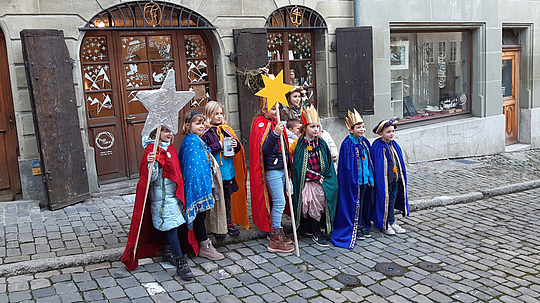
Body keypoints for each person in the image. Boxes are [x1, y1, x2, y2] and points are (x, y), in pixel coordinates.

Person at [121, 126, 196, 281]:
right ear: (156, 133)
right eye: (165, 131)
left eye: (171, 131)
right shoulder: (151, 150)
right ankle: (182, 262)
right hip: (161, 198)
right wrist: (152, 164)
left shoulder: (170, 148)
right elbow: (151, 178)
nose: (169, 134)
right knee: (172, 227)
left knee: (172, 226)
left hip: (172, 195)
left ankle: (168, 250)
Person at [178, 111, 226, 260]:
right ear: (188, 126)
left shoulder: (197, 140)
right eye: (197, 123)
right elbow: (192, 167)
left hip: (203, 183)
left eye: (203, 123)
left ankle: (203, 243)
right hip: (195, 186)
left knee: (202, 215)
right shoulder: (190, 142)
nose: (201, 126)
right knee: (199, 216)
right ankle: (204, 245)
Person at [249, 99, 294, 253]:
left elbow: (285, 148)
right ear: (263, 110)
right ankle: (274, 237)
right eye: (273, 109)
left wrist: (288, 167)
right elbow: (265, 149)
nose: (276, 112)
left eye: (278, 108)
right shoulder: (260, 124)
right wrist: (275, 134)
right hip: (272, 170)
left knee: (282, 199)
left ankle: (278, 230)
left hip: (281, 168)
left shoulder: (276, 123)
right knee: (279, 202)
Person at [201, 101, 249, 239]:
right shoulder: (206, 132)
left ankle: (228, 223)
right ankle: (216, 226)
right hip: (215, 173)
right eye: (216, 114)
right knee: (216, 200)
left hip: (228, 171)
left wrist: (236, 144)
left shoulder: (226, 129)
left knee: (227, 198)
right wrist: (219, 144)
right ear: (209, 115)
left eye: (221, 113)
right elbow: (206, 151)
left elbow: (236, 149)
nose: (219, 116)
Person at [291, 105, 338, 247]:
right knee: (314, 205)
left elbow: (328, 161)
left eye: (318, 126)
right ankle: (316, 232)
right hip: (309, 181)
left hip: (323, 179)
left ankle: (322, 227)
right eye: (312, 127)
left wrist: (327, 177)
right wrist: (314, 176)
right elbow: (299, 167)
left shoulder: (322, 143)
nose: (316, 129)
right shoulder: (300, 144)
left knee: (325, 202)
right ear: (305, 128)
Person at [331, 109, 374, 249]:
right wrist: (352, 181)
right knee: (353, 204)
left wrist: (370, 177)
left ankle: (361, 224)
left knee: (362, 204)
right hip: (352, 183)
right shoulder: (347, 144)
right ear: (350, 129)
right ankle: (354, 226)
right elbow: (347, 167)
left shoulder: (365, 142)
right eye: (358, 127)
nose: (362, 129)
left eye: (363, 126)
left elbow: (369, 162)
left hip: (364, 181)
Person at [371, 119, 409, 235]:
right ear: (380, 133)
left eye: (393, 131)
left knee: (391, 202)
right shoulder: (377, 146)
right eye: (388, 132)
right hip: (384, 181)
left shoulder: (394, 145)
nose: (392, 134)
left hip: (395, 180)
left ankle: (392, 222)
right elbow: (377, 165)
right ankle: (384, 223)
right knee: (384, 202)